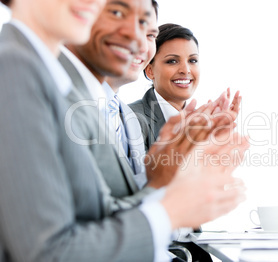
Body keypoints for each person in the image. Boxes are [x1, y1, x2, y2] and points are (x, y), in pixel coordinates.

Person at [0, 0, 248, 261]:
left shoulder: (56, 83)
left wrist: (162, 176)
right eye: (116, 12)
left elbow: (99, 214)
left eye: (145, 25)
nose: (137, 38)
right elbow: (48, 252)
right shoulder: (17, 68)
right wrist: (171, 208)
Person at [129, 23, 242, 152]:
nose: (186, 70)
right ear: (150, 71)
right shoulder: (130, 118)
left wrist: (212, 142)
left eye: (192, 60)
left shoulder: (201, 124)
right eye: (172, 61)